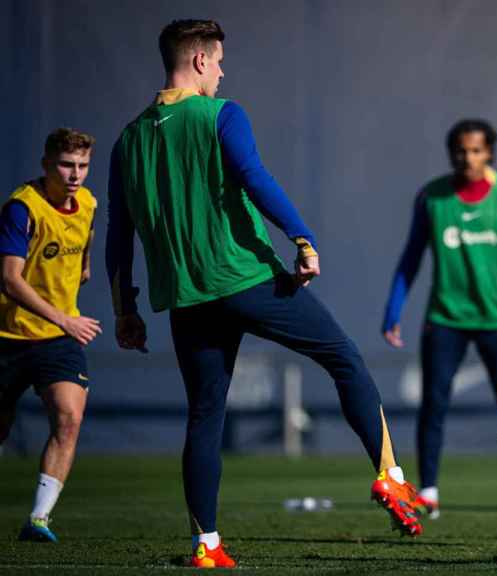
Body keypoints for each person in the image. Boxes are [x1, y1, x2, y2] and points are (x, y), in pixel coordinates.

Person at [106, 19, 421, 568]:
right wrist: (303, 237)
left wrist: (125, 309)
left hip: (186, 299)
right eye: (220, 60)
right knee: (344, 357)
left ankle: (206, 546)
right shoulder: (221, 115)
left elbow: (117, 233)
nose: (224, 71)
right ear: (200, 59)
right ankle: (390, 477)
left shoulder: (128, 139)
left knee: (205, 414)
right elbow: (253, 176)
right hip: (247, 279)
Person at [381, 119, 497, 518]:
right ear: (451, 152)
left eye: (475, 150)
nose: (467, 157)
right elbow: (410, 258)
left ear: (488, 152)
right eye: (460, 150)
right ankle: (431, 493)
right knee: (433, 404)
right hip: (446, 319)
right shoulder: (432, 198)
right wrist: (393, 311)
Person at [0, 128, 101, 543]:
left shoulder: (89, 202)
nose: (75, 174)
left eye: (82, 166)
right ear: (46, 165)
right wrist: (63, 318)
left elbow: (85, 243)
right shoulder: (22, 208)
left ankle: (38, 519)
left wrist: (84, 269)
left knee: (69, 417)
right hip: (8, 335)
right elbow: (9, 280)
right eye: (66, 165)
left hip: (59, 339)